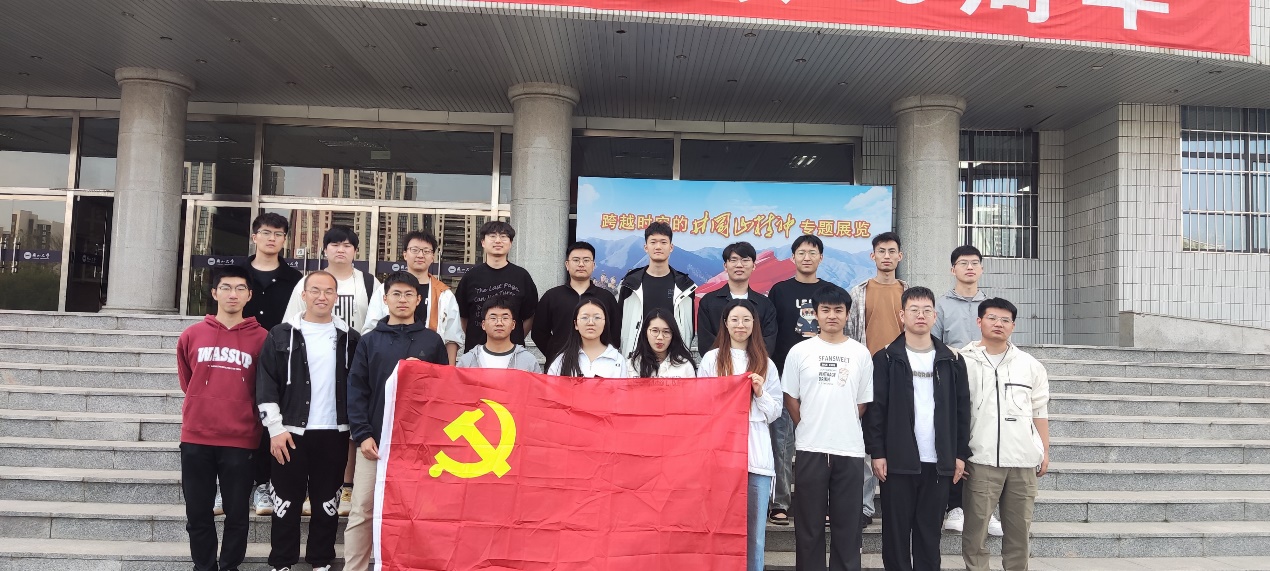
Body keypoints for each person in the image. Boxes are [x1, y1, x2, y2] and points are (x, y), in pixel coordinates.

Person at [345, 272, 450, 571]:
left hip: (419, 446)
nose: (402, 300)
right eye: (396, 294)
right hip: (375, 443)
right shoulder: (369, 341)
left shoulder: (432, 341)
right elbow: (357, 390)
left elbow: (444, 392)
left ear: (419, 300)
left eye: (408, 295)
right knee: (362, 510)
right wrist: (363, 435)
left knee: (414, 511)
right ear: (385, 298)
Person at [257, 271, 361, 571]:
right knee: (285, 503)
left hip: (333, 432)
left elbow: (359, 384)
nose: (321, 296)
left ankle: (321, 560)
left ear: (336, 297)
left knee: (327, 503)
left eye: (328, 291)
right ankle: (282, 562)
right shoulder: (280, 334)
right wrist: (275, 429)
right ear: (303, 295)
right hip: (289, 432)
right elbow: (266, 384)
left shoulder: (349, 338)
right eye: (315, 290)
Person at [863, 286, 971, 571]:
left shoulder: (952, 360)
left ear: (935, 316)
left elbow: (962, 411)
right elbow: (876, 409)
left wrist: (959, 454)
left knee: (929, 535)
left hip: (938, 462)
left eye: (926, 310)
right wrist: (877, 452)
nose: (920, 315)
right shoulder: (886, 358)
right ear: (902, 315)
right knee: (896, 535)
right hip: (898, 461)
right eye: (914, 310)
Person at [176, 266, 268, 571]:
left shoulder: (262, 338)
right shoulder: (192, 335)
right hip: (196, 436)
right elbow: (187, 381)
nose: (233, 294)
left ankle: (230, 566)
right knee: (198, 512)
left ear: (249, 295)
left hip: (241, 439)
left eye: (240, 288)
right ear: (215, 293)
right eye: (226, 288)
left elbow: (265, 386)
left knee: (237, 513)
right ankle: (203, 566)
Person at [283, 225, 380, 512]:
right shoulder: (307, 282)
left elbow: (376, 323)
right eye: (335, 244)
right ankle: (309, 488)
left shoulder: (369, 283)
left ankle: (346, 487)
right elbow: (290, 324)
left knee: (348, 424)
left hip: (355, 360)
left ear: (355, 251)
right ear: (325, 249)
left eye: (347, 245)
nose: (341, 249)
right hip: (311, 362)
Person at [782, 284, 872, 571]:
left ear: (847, 314)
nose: (832, 315)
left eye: (838, 310)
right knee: (809, 526)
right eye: (826, 310)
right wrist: (808, 425)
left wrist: (840, 421)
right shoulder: (800, 352)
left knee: (848, 526)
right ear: (816, 314)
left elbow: (862, 402)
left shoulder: (860, 353)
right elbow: (790, 397)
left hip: (849, 449)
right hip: (811, 447)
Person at [960, 298, 1051, 571]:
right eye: (992, 318)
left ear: (1013, 325)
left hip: (1022, 461)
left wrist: (1044, 451)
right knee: (976, 530)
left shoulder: (1029, 365)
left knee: (1019, 531)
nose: (998, 324)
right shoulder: (963, 361)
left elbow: (1039, 410)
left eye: (1005, 320)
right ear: (979, 321)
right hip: (981, 459)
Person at [697, 300, 782, 571]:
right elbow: (702, 404)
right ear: (725, 323)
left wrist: (760, 392)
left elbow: (775, 412)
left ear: (754, 324)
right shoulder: (711, 360)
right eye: (734, 319)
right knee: (719, 529)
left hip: (756, 459)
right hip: (720, 457)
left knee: (754, 536)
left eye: (746, 320)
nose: (740, 325)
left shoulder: (765, 363)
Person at [764, 233, 837, 525]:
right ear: (793, 257)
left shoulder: (830, 291)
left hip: (822, 377)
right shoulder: (779, 291)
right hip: (785, 376)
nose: (807, 257)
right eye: (802, 253)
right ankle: (780, 503)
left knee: (822, 444)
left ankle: (821, 503)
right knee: (782, 443)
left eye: (813, 252)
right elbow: (771, 331)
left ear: (821, 257)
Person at [238, 212, 304, 517]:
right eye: (265, 232)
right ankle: (232, 482)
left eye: (278, 234)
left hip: (279, 358)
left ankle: (264, 483)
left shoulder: (295, 279)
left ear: (284, 240)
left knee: (272, 418)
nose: (271, 238)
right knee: (239, 418)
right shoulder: (236, 274)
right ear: (254, 236)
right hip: (239, 354)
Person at [844, 231, 907, 528]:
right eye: (881, 251)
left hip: (903, 374)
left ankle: (900, 503)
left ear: (900, 256)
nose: (886, 256)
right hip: (867, 372)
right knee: (868, 440)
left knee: (902, 437)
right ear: (873, 256)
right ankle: (865, 505)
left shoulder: (909, 293)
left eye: (892, 251)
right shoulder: (858, 292)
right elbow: (850, 333)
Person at [931, 244, 992, 534]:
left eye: (975, 263)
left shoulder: (991, 306)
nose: (969, 267)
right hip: (953, 381)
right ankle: (954, 506)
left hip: (987, 382)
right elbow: (933, 344)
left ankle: (985, 508)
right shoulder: (940, 306)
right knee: (957, 440)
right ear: (952, 269)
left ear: (981, 268)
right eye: (963, 263)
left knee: (984, 441)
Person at [361, 230, 463, 364]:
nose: (420, 255)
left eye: (426, 251)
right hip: (388, 361)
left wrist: (449, 371)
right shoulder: (386, 289)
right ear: (405, 254)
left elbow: (452, 338)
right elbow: (371, 328)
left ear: (432, 257)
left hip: (430, 361)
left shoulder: (444, 294)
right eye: (414, 250)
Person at [455, 221, 538, 353]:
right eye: (492, 236)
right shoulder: (470, 277)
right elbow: (462, 316)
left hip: (513, 353)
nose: (498, 241)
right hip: (477, 351)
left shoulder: (522, 276)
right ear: (483, 242)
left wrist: (515, 335)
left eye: (503, 236)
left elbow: (530, 316)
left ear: (510, 243)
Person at [532, 241, 621, 364]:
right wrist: (555, 354)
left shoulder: (606, 297)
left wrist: (603, 356)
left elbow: (615, 333)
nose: (581, 264)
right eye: (576, 260)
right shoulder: (552, 296)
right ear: (567, 264)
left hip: (598, 365)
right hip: (560, 365)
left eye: (586, 260)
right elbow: (538, 333)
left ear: (593, 265)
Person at [617, 221, 697, 358]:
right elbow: (618, 323)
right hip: (636, 358)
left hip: (674, 360)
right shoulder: (630, 285)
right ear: (646, 247)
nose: (658, 247)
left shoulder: (684, 286)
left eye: (663, 242)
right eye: (653, 242)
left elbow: (689, 326)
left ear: (671, 247)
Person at [696, 241, 778, 355]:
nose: (739, 265)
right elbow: (706, 342)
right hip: (719, 364)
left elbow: (768, 341)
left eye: (745, 260)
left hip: (755, 365)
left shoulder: (765, 304)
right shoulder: (708, 302)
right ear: (725, 266)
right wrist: (728, 361)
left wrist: (747, 360)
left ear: (754, 266)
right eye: (733, 260)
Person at [546, 295, 627, 377]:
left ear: (605, 323)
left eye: (597, 317)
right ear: (576, 324)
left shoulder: (617, 360)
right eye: (585, 317)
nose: (591, 322)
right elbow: (551, 384)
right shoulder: (561, 360)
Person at [457, 296, 544, 372]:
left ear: (513, 324)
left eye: (505, 318)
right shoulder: (467, 361)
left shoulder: (528, 361)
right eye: (493, 318)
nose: (499, 323)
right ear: (483, 325)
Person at [626, 308, 696, 378]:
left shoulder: (684, 365)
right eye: (655, 331)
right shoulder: (632, 365)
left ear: (673, 334)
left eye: (666, 332)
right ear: (645, 332)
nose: (660, 337)